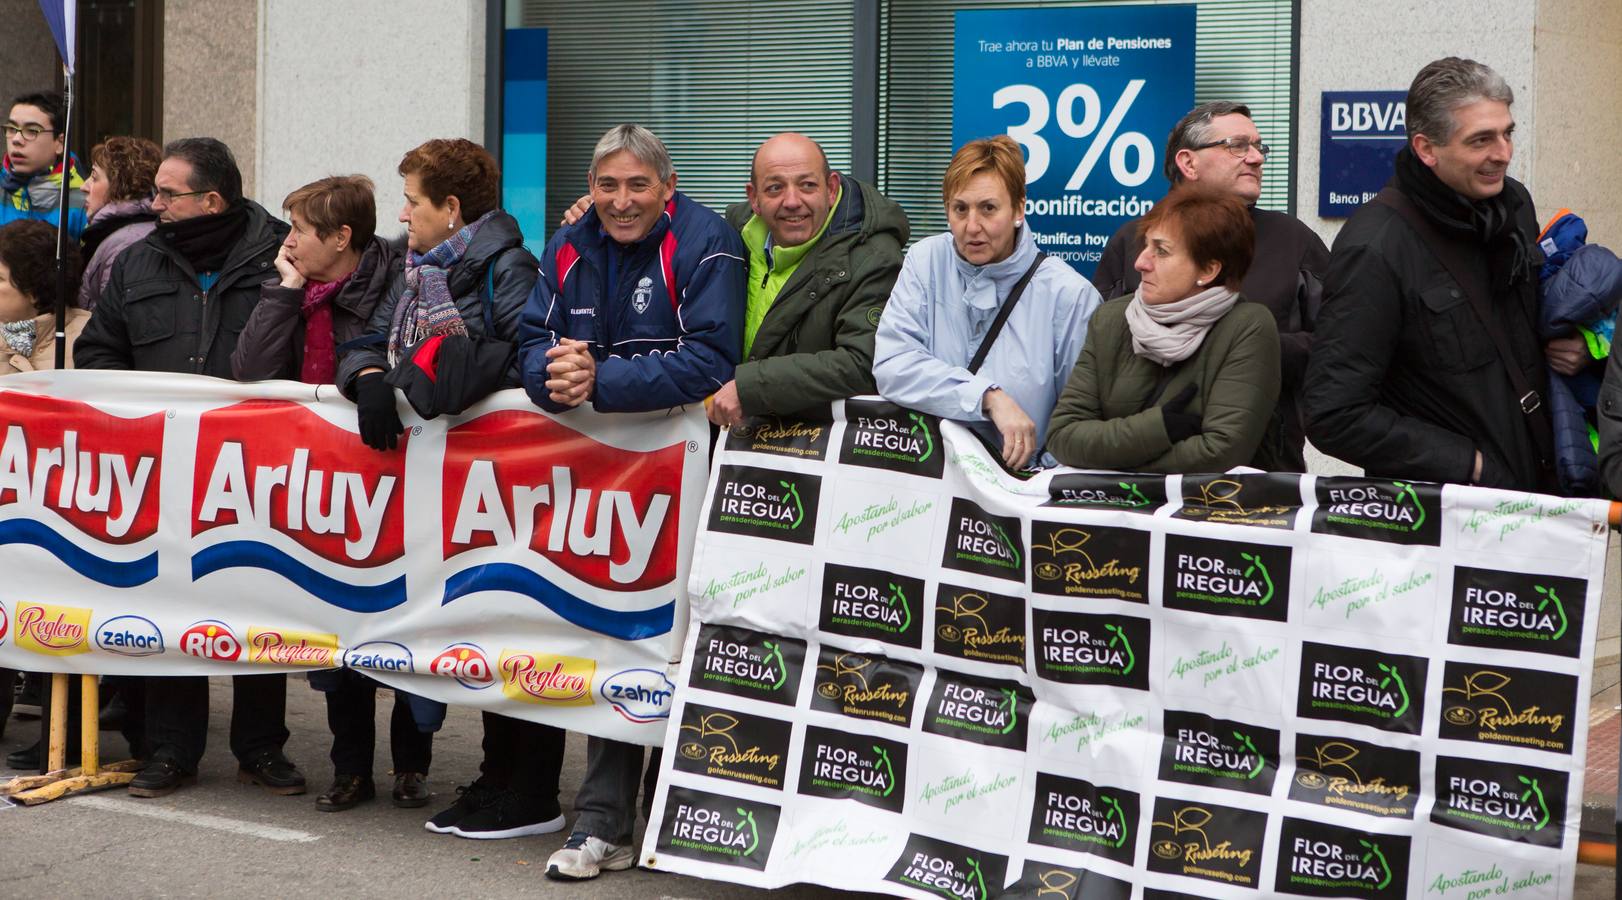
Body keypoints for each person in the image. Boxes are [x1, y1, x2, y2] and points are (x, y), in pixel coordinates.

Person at [519, 124, 745, 881]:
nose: (620, 201)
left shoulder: (708, 241)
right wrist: (554, 376)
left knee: (673, 642)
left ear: (666, 187)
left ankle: (676, 814)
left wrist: (600, 383)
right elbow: (528, 335)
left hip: (686, 480)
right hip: (595, 481)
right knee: (612, 634)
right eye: (608, 185)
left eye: (637, 186)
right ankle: (603, 822)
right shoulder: (571, 241)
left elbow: (713, 359)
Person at [332, 139, 555, 840]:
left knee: (512, 625)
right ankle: (495, 776)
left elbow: (528, 358)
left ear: (451, 209)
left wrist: (464, 380)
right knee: (478, 629)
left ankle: (525, 785)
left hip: (499, 484)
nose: (402, 215)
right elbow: (367, 340)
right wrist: (368, 381)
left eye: (414, 202)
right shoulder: (416, 270)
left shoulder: (509, 268)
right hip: (438, 488)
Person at [73, 137, 299, 799]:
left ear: (211, 200)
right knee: (172, 605)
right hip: (164, 472)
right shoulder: (140, 260)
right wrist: (140, 410)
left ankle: (261, 749)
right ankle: (171, 751)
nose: (155, 203)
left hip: (257, 470)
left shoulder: (281, 253)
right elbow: (97, 353)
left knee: (260, 604)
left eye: (169, 194)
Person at [229, 174, 429, 811]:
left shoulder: (398, 283)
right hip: (322, 487)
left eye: (299, 232)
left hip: (396, 478)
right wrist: (286, 289)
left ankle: (411, 766)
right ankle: (352, 770)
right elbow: (253, 371)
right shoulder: (299, 291)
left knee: (404, 629)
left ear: (342, 238)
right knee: (337, 632)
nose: (287, 242)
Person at [1304, 57, 1559, 492]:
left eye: (1507, 133)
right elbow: (1334, 414)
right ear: (1426, 149)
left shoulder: (1514, 203)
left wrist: (1562, 342)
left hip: (1539, 495)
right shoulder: (1375, 245)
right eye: (1481, 140)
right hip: (1448, 523)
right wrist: (1471, 466)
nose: (1503, 153)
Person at [1093, 101, 1327, 471]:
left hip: (1260, 475)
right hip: (1147, 473)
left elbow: (1335, 348)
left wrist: (1246, 347)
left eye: (1258, 147)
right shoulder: (1132, 243)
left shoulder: (1294, 243)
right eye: (1237, 145)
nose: (1256, 158)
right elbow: (1100, 354)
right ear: (1188, 163)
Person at [872, 135, 1101, 470]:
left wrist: (1035, 481)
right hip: (932, 481)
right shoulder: (926, 260)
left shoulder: (1070, 296)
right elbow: (893, 365)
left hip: (1022, 491)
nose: (972, 227)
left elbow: (1082, 421)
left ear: (1019, 209)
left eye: (988, 208)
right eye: (960, 209)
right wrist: (987, 397)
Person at [1046, 187, 1280, 472]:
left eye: (1161, 251)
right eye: (1145, 246)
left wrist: (1112, 460)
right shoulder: (1111, 319)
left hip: (1200, 512)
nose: (1140, 262)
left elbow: (1220, 453)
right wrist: (1160, 428)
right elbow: (1063, 437)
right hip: (1109, 513)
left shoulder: (1247, 328)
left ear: (1208, 271)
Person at [706, 132, 907, 424]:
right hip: (727, 439)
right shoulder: (727, 244)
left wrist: (750, 388)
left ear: (831, 188)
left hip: (811, 449)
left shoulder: (874, 258)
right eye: (775, 188)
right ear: (754, 198)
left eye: (807, 185)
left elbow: (863, 362)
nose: (792, 201)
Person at [0, 219, 87, 749]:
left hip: (57, 505)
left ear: (33, 293)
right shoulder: (8, 330)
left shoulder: (78, 335)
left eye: (1, 283)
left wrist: (18, 358)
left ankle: (67, 731)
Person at [78, 136, 161, 310]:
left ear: (122, 186)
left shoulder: (125, 243)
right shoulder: (117, 232)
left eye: (94, 177)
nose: (84, 186)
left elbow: (113, 321)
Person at [2, 91, 87, 239]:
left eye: (32, 131)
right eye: (11, 129)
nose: (16, 139)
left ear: (60, 142)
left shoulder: (82, 202)